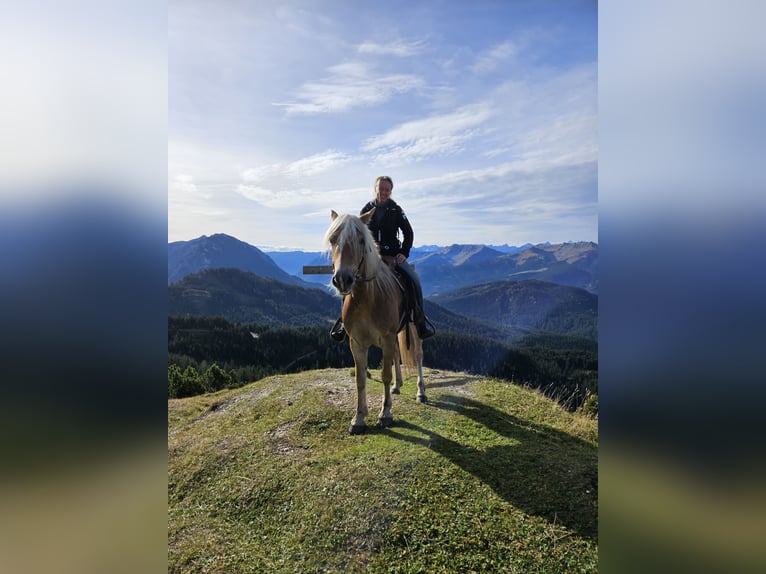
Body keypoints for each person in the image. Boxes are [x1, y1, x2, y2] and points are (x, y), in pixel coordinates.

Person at [331, 175, 435, 341]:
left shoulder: (396, 210)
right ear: (376, 189)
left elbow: (408, 232)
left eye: (387, 189)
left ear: (391, 191)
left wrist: (404, 253)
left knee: (414, 279)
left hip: (393, 256)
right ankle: (345, 321)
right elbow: (359, 235)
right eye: (381, 189)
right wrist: (371, 247)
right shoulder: (366, 209)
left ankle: (420, 321)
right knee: (349, 280)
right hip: (371, 257)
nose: (384, 192)